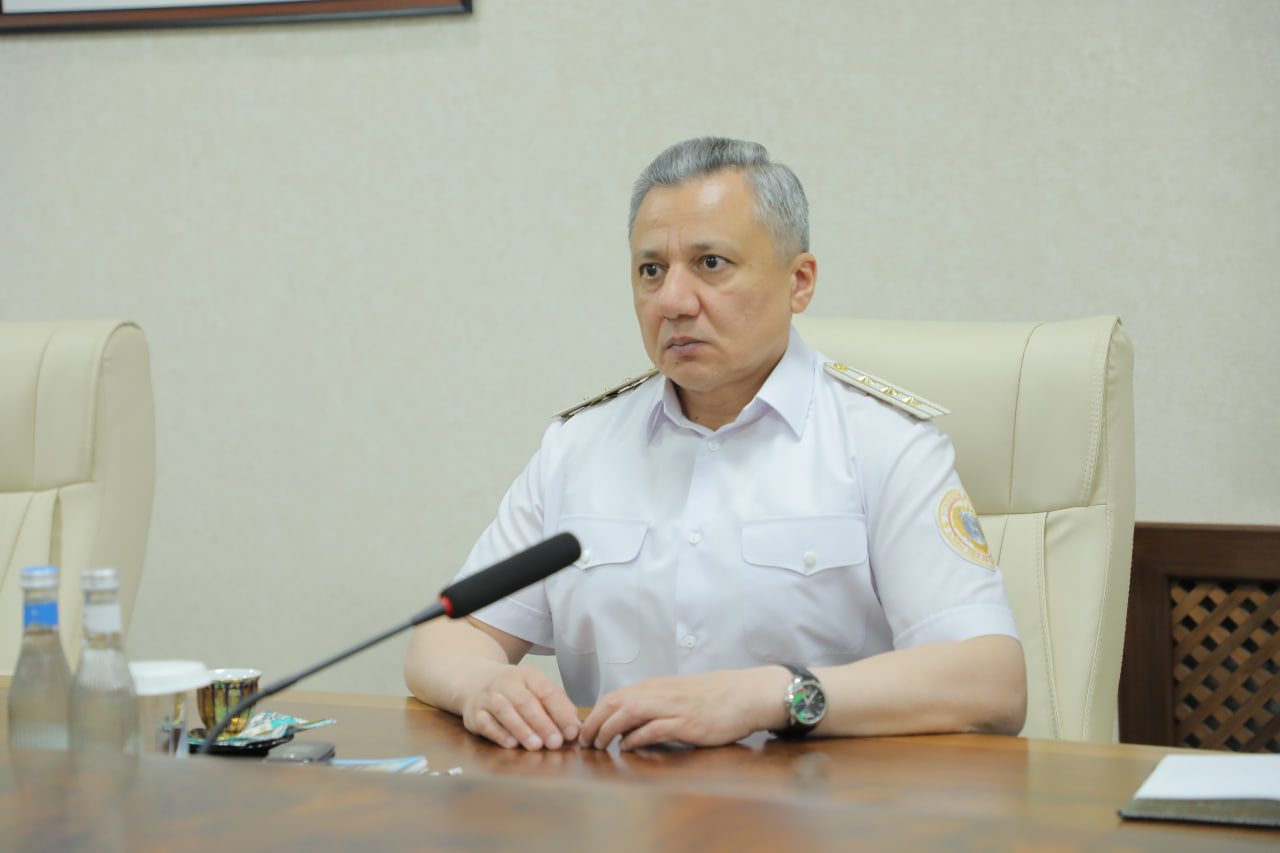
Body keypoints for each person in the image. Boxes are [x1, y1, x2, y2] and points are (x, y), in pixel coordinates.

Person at [404, 137, 1027, 752]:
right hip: (619, 801)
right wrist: (483, 684)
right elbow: (447, 636)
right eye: (651, 271)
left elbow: (991, 683)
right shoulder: (579, 448)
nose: (673, 301)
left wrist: (771, 696)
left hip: (818, 802)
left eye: (710, 264)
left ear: (799, 282)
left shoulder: (885, 443)